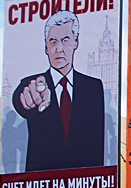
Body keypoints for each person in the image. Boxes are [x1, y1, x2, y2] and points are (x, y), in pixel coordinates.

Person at [12, 10, 105, 172]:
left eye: (65, 40)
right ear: (46, 47)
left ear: (76, 42)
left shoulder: (93, 87)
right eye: (53, 42)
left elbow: (97, 138)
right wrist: (29, 97)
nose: (58, 49)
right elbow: (21, 98)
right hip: (40, 181)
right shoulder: (33, 84)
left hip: (85, 181)